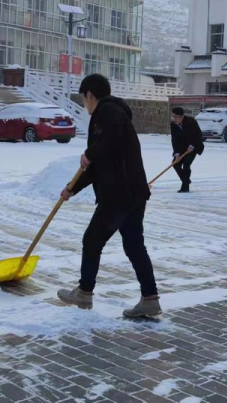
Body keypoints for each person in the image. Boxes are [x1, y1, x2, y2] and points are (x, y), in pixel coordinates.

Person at [57, 74, 160, 318]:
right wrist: (72, 188)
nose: (85, 105)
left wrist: (90, 152)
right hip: (132, 193)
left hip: (118, 194)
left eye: (84, 99)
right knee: (134, 246)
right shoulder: (114, 114)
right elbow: (100, 160)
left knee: (92, 240)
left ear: (90, 95)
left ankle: (84, 292)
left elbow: (106, 145)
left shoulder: (107, 112)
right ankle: (150, 299)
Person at [169, 107, 204, 193]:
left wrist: (192, 145)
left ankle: (185, 187)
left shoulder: (191, 121)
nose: (174, 119)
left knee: (186, 164)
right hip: (181, 148)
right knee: (175, 164)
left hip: (194, 147)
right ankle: (186, 180)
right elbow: (174, 140)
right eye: (173, 116)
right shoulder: (173, 125)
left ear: (182, 116)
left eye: (176, 117)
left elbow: (198, 135)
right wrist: (177, 154)